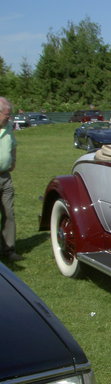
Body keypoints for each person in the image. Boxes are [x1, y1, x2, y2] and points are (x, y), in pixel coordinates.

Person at [0, 97, 23, 261]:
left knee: (9, 214)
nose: (9, 118)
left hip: (5, 177)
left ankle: (9, 250)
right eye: (7, 115)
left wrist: (13, 161)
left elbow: (13, 146)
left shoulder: (8, 127)